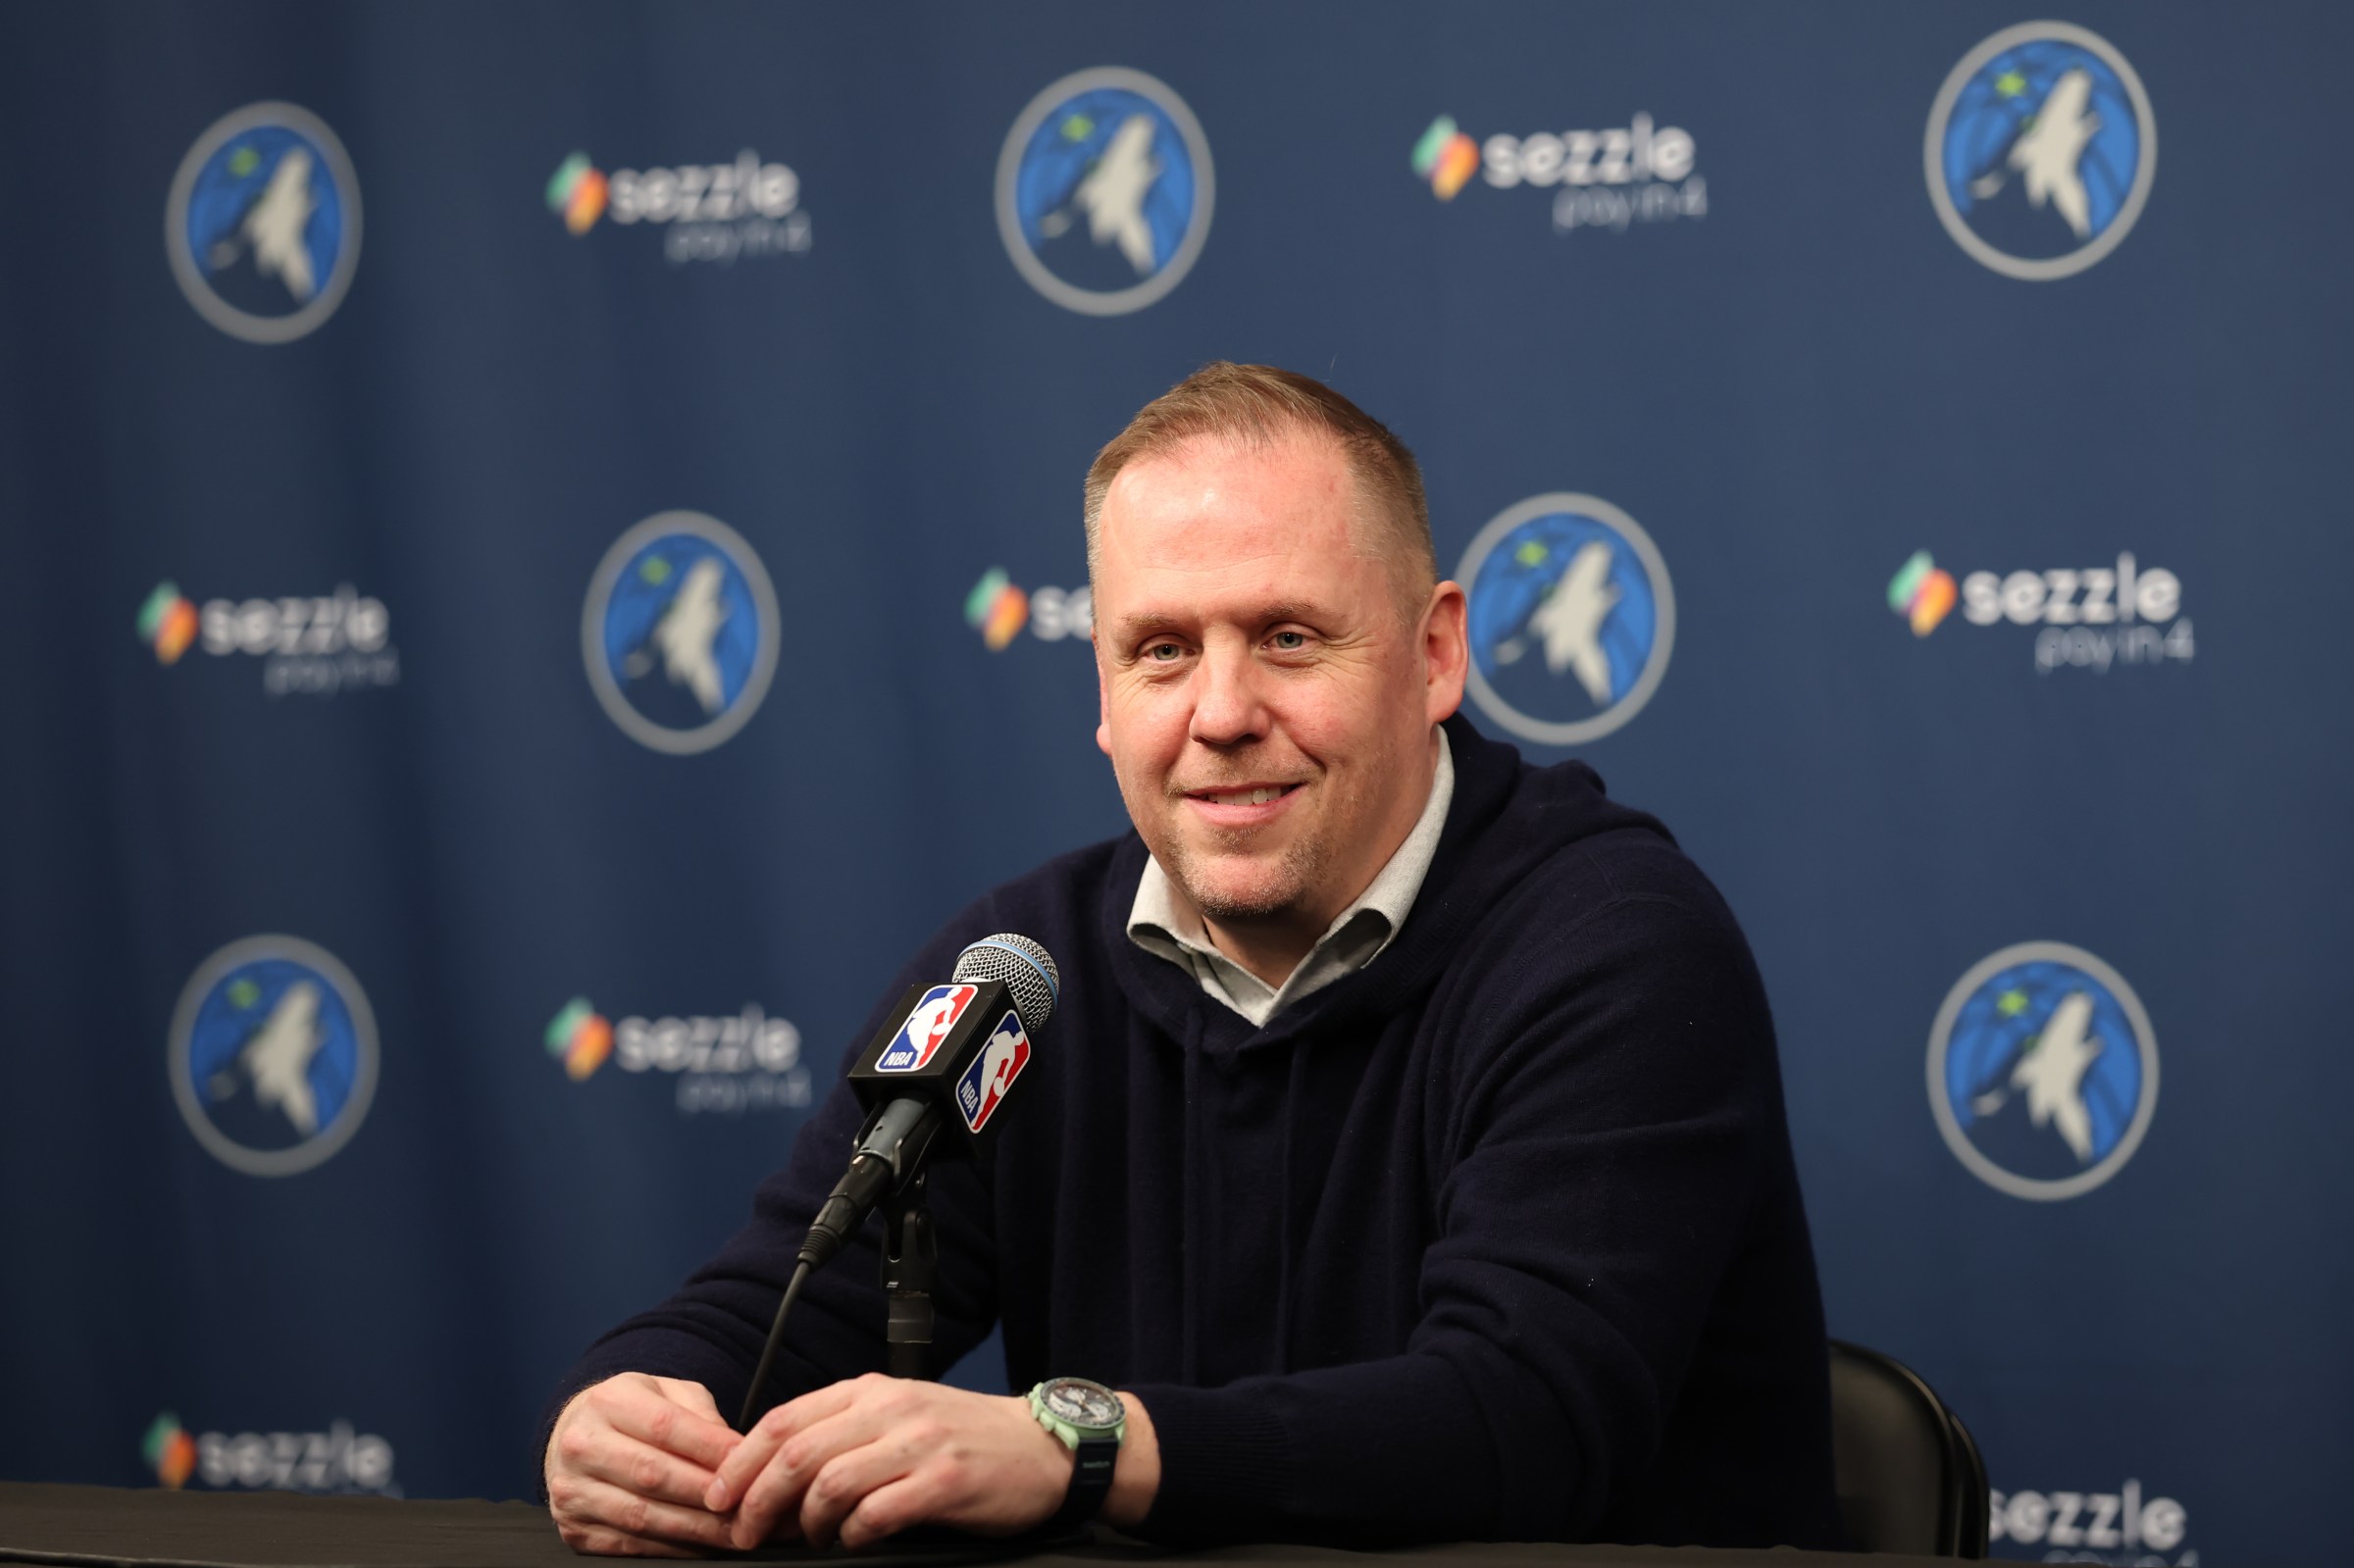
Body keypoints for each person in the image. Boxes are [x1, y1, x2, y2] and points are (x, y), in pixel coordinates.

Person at [539, 364, 1843, 1555]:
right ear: (1104, 696)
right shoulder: (1018, 974)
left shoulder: (1614, 945)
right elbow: (785, 1296)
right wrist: (635, 1405)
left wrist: (1077, 1441)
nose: (1221, 715)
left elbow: (1523, 1416)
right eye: (1161, 650)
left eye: (1287, 637)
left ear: (1437, 652)